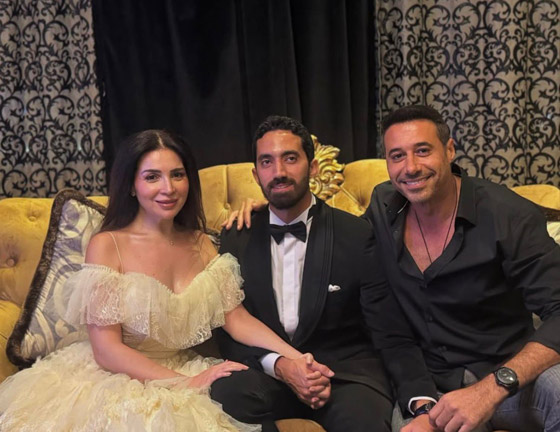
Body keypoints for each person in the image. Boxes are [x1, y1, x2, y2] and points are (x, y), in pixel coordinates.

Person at [0, 129, 320, 431]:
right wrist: (185, 383)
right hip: (120, 376)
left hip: (187, 365)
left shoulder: (201, 243)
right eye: (152, 177)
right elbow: (107, 350)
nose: (168, 188)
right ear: (131, 185)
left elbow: (237, 319)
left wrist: (297, 358)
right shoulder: (108, 245)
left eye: (177, 175)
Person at [366, 105, 560, 432]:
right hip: (432, 387)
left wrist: (492, 388)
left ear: (450, 150)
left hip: (512, 378)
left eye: (423, 151)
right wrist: (423, 406)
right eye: (397, 156)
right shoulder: (382, 209)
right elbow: (385, 323)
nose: (410, 167)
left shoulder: (508, 214)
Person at [211, 116, 393, 432]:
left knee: (366, 420)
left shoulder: (356, 234)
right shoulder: (235, 237)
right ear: (255, 174)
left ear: (313, 167)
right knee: (225, 396)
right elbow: (227, 328)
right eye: (267, 162)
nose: (278, 171)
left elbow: (381, 325)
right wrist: (280, 365)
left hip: (341, 376)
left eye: (290, 158)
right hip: (268, 375)